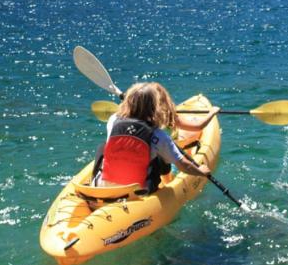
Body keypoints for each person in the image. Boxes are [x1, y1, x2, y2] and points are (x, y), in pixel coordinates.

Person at [92, 82, 220, 192]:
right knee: (159, 156)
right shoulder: (158, 135)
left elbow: (122, 114)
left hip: (103, 185)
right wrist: (201, 171)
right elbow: (183, 166)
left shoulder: (113, 120)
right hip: (138, 190)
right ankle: (163, 184)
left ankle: (95, 183)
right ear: (155, 107)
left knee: (103, 147)